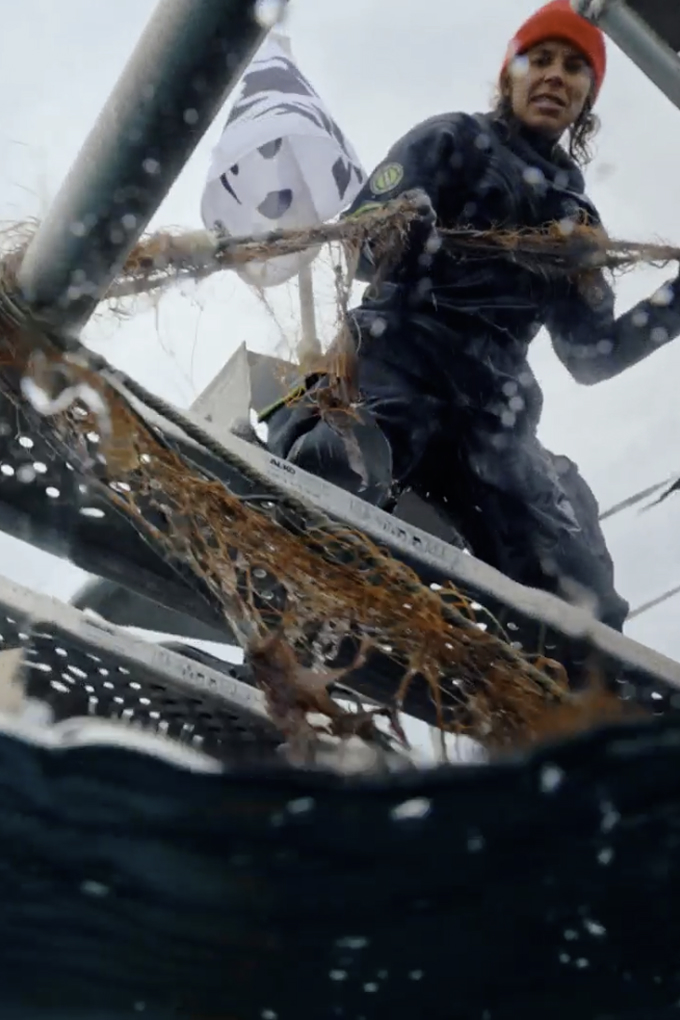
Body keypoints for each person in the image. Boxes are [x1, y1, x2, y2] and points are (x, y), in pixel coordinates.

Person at [261, 0, 680, 633]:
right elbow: (361, 243)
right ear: (509, 74)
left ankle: (578, 702)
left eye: (573, 68)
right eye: (539, 59)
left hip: (494, 414)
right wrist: (408, 230)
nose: (554, 77)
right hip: (398, 363)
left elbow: (593, 357)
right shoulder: (452, 139)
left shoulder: (579, 224)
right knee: (337, 463)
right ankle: (283, 596)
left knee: (580, 588)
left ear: (587, 96)